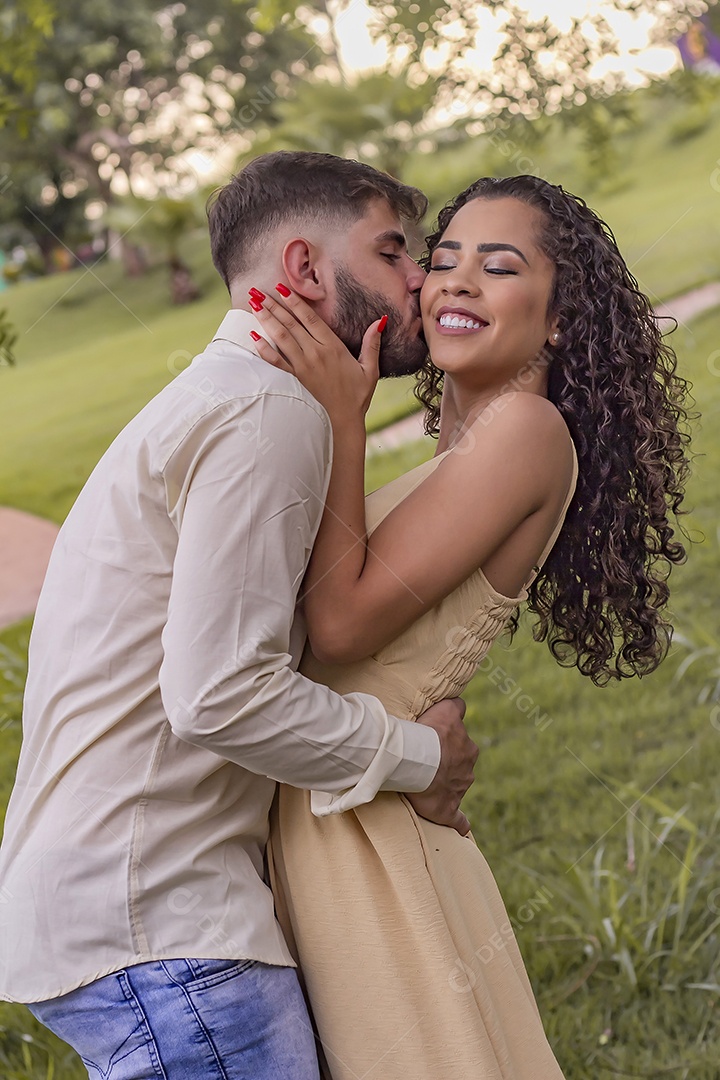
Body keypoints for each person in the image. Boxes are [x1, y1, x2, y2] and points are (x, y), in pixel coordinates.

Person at [0, 152, 481, 1078]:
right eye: (393, 252)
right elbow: (218, 692)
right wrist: (423, 759)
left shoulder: (240, 399)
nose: (423, 278)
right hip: (164, 932)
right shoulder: (264, 412)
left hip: (133, 920)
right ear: (303, 270)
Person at [250, 174, 692, 1079]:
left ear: (561, 318)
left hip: (374, 829)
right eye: (442, 260)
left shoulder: (527, 431)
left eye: (499, 267)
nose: (455, 282)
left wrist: (342, 416)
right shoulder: (464, 450)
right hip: (351, 796)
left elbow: (338, 625)